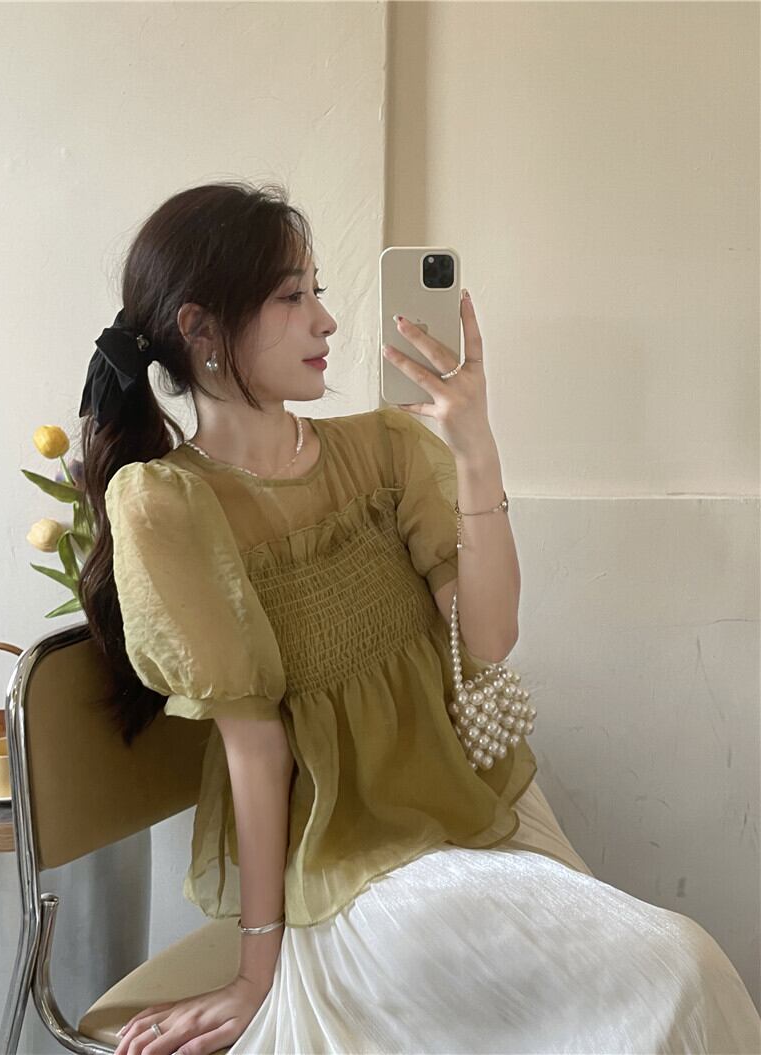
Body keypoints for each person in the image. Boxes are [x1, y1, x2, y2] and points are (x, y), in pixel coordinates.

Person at [78, 181, 761, 1055]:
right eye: (291, 297)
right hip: (352, 875)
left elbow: (489, 638)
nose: (326, 320)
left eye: (318, 290)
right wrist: (256, 973)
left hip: (476, 814)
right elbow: (257, 750)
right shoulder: (169, 505)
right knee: (678, 965)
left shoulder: (385, 450)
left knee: (670, 973)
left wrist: (475, 447)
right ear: (200, 329)